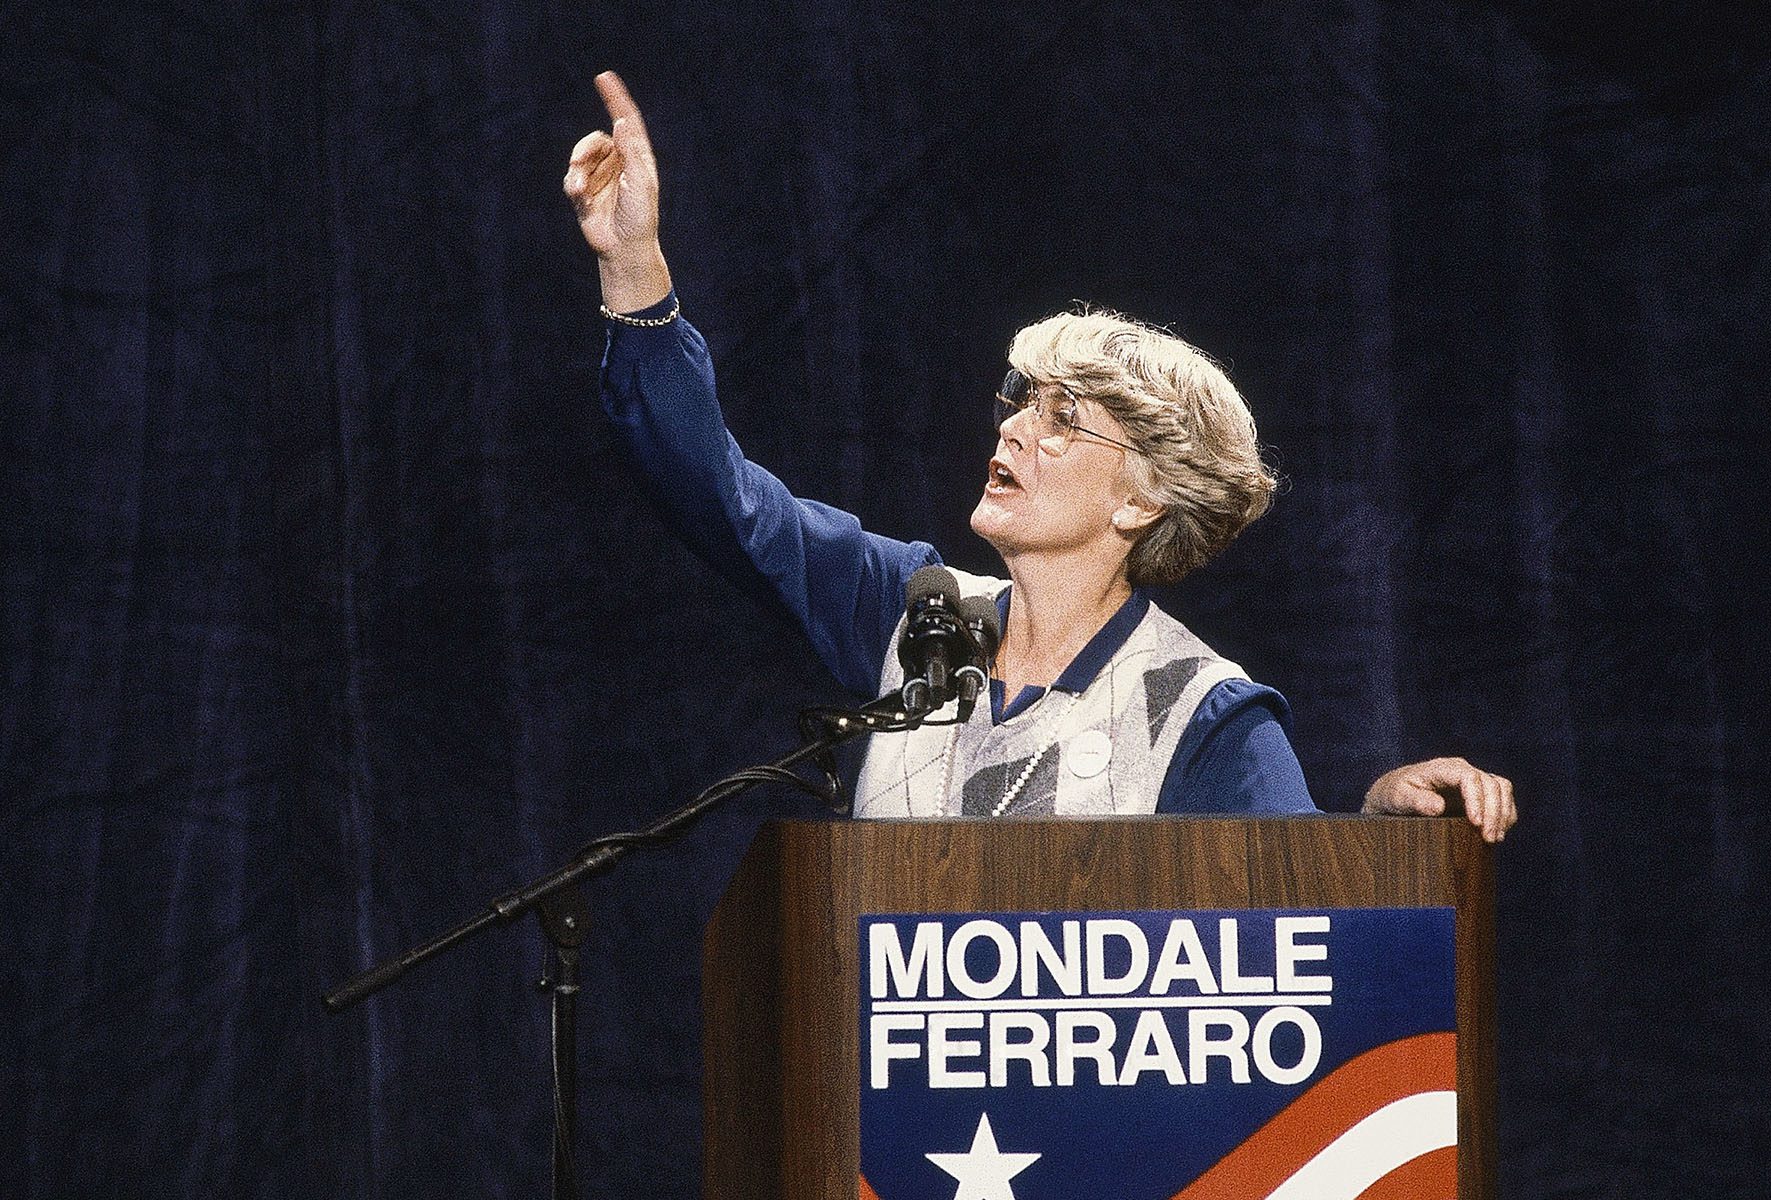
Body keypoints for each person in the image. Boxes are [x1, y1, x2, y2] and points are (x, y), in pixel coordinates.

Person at [564, 71, 1517, 841]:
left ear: (1143, 498)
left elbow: (1283, 927)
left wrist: (1376, 835)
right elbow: (724, 502)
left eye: (1065, 418)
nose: (1014, 428)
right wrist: (634, 262)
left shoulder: (1204, 716)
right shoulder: (920, 619)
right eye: (1021, 402)